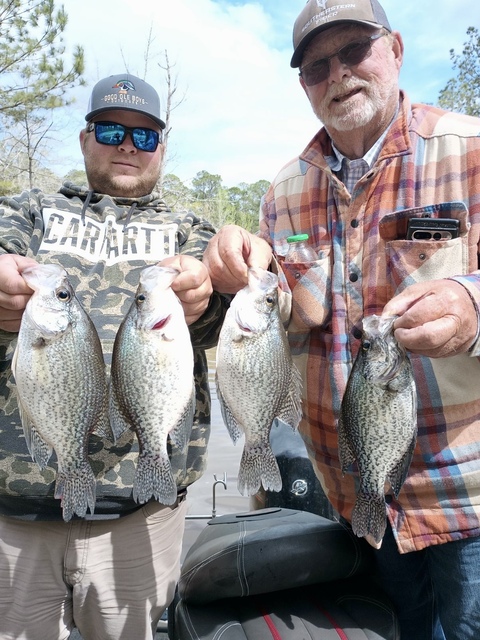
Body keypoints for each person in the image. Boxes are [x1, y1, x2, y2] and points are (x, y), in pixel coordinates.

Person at [203, 1, 480, 639]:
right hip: (348, 492)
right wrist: (237, 276)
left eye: (354, 51)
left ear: (397, 50)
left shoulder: (468, 149)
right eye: (315, 66)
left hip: (462, 495)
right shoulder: (285, 190)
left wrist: (471, 306)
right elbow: (288, 320)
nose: (338, 75)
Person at [0, 73, 228, 640]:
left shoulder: (190, 230)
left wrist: (205, 300)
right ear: (84, 140)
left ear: (161, 149)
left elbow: (233, 324)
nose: (128, 144)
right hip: (14, 510)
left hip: (140, 510)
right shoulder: (27, 211)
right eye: (111, 129)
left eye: (144, 136)